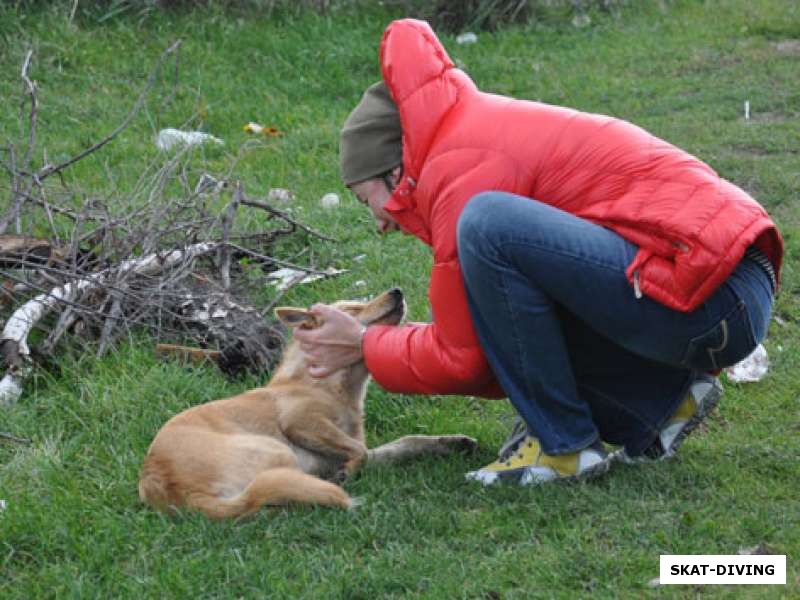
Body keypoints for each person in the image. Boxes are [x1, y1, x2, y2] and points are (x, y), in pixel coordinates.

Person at [293, 19, 783, 486]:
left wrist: (363, 344)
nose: (377, 221)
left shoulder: (458, 168)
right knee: (506, 293)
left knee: (488, 225)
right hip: (726, 288)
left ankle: (563, 447)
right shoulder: (466, 138)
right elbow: (497, 342)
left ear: (395, 172)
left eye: (368, 201)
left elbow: (464, 359)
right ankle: (661, 403)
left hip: (714, 293)